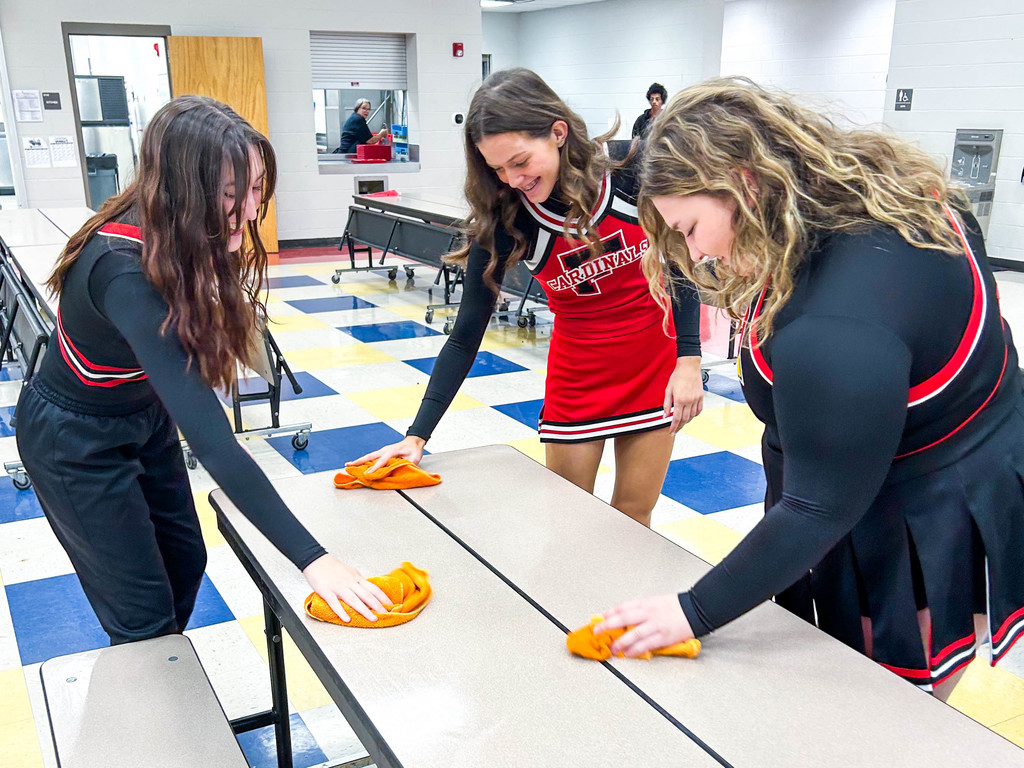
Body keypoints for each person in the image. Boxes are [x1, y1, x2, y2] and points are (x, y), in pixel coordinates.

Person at [595, 77, 1024, 700]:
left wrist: (693, 610)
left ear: (745, 181)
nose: (698, 254)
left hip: (922, 503)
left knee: (882, 701)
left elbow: (820, 507)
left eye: (689, 229)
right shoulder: (899, 198)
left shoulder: (832, 327)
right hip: (957, 450)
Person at [15, 95, 389, 645]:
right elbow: (214, 444)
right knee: (143, 616)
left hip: (141, 414)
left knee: (185, 563)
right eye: (234, 195)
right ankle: (152, 703)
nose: (252, 209)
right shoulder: (124, 271)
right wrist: (313, 559)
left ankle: (160, 667)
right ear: (181, 189)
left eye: (257, 187)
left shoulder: (181, 228)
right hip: (74, 441)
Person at [351, 68, 704, 527]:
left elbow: (681, 263)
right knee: (569, 520)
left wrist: (689, 359)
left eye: (519, 162)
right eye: (496, 168)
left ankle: (624, 603)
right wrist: (417, 435)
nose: (512, 178)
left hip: (653, 363)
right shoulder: (506, 217)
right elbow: (465, 335)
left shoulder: (633, 170)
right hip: (578, 374)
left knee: (635, 516)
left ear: (558, 132)